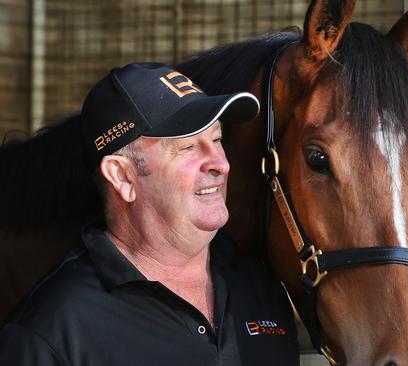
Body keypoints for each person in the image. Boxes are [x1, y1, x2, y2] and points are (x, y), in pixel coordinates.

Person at [0, 63, 299, 365]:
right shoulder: (52, 331)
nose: (220, 164)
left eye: (217, 139)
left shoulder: (261, 288)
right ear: (122, 177)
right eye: (187, 146)